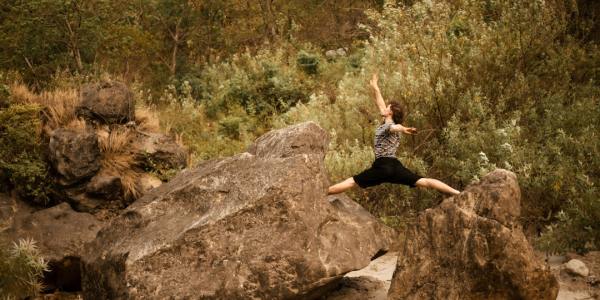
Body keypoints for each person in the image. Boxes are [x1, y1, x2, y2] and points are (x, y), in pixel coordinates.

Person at [327, 73, 460, 196]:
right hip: (395, 166)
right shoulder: (387, 120)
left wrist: (404, 129)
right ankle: (457, 193)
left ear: (389, 113)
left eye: (387, 108)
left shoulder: (388, 126)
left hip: (382, 166)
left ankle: (323, 193)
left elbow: (395, 127)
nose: (384, 108)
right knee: (424, 181)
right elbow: (380, 103)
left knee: (352, 181)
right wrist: (375, 87)